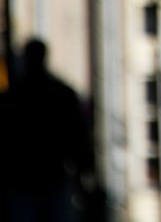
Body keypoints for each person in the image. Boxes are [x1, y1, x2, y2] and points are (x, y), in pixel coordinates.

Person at [3, 38, 94, 222]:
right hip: (49, 178)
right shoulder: (61, 95)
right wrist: (83, 174)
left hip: (26, 179)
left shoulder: (13, 98)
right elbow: (77, 137)